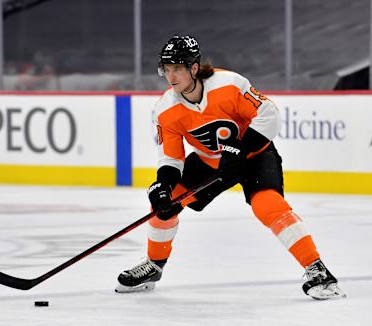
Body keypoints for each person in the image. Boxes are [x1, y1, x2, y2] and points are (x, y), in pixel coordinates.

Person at [115, 35, 345, 300]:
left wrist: (241, 148)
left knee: (268, 205)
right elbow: (171, 157)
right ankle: (154, 266)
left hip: (255, 156)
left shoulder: (229, 84)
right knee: (162, 207)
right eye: (166, 70)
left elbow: (269, 114)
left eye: (177, 68)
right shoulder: (165, 109)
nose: (171, 76)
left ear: (193, 68)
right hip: (209, 162)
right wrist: (163, 185)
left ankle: (317, 269)